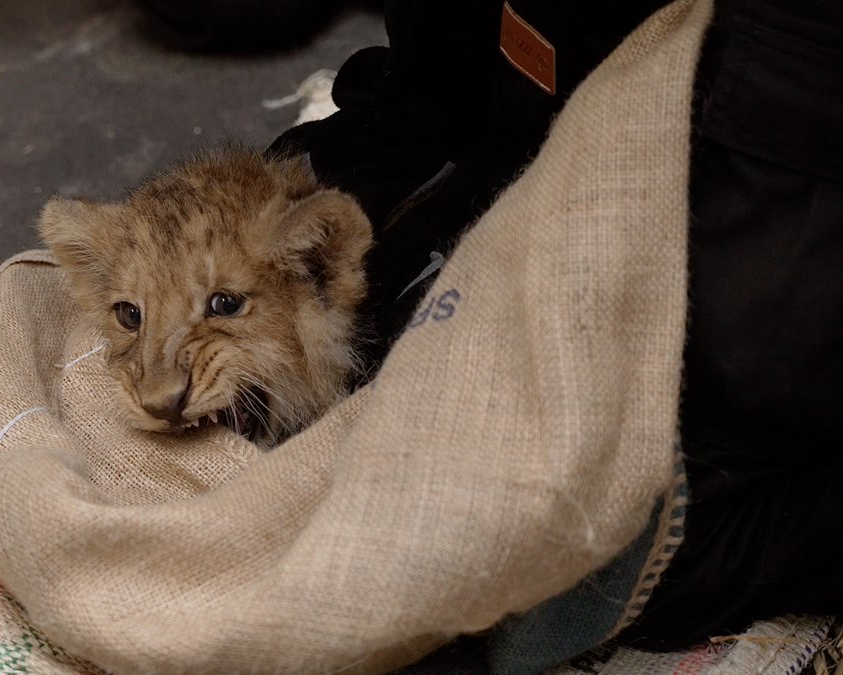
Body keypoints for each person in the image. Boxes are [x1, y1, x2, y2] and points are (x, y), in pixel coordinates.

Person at [269, 0, 843, 655]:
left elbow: (755, 316)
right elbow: (439, 99)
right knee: (349, 347)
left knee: (586, 554)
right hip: (566, 114)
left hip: (772, 220)